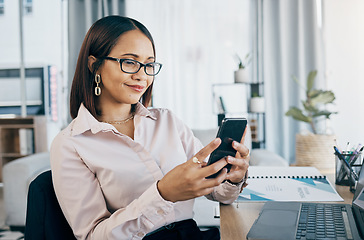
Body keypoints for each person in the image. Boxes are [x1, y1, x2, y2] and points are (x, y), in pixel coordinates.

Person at [50, 15, 249, 240]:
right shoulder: (71, 144)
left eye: (149, 64)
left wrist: (231, 177)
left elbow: (218, 192)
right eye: (129, 62)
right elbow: (92, 236)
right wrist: (163, 194)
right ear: (94, 64)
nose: (142, 75)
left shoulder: (168, 122)